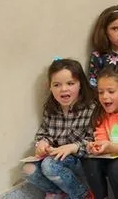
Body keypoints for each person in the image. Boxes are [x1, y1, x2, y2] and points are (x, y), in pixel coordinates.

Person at [24, 59, 96, 199]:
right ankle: (58, 193)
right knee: (28, 169)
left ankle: (82, 195)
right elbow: (44, 132)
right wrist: (42, 143)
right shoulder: (51, 108)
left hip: (80, 159)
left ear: (80, 84)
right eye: (57, 85)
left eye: (70, 83)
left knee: (49, 165)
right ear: (50, 87)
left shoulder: (90, 108)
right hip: (56, 156)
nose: (63, 89)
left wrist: (73, 147)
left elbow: (94, 140)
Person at [83, 68, 118, 199]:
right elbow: (101, 138)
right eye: (101, 92)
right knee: (90, 162)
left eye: (111, 91)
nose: (104, 96)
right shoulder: (101, 114)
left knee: (115, 168)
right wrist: (96, 147)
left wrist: (108, 146)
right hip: (110, 155)